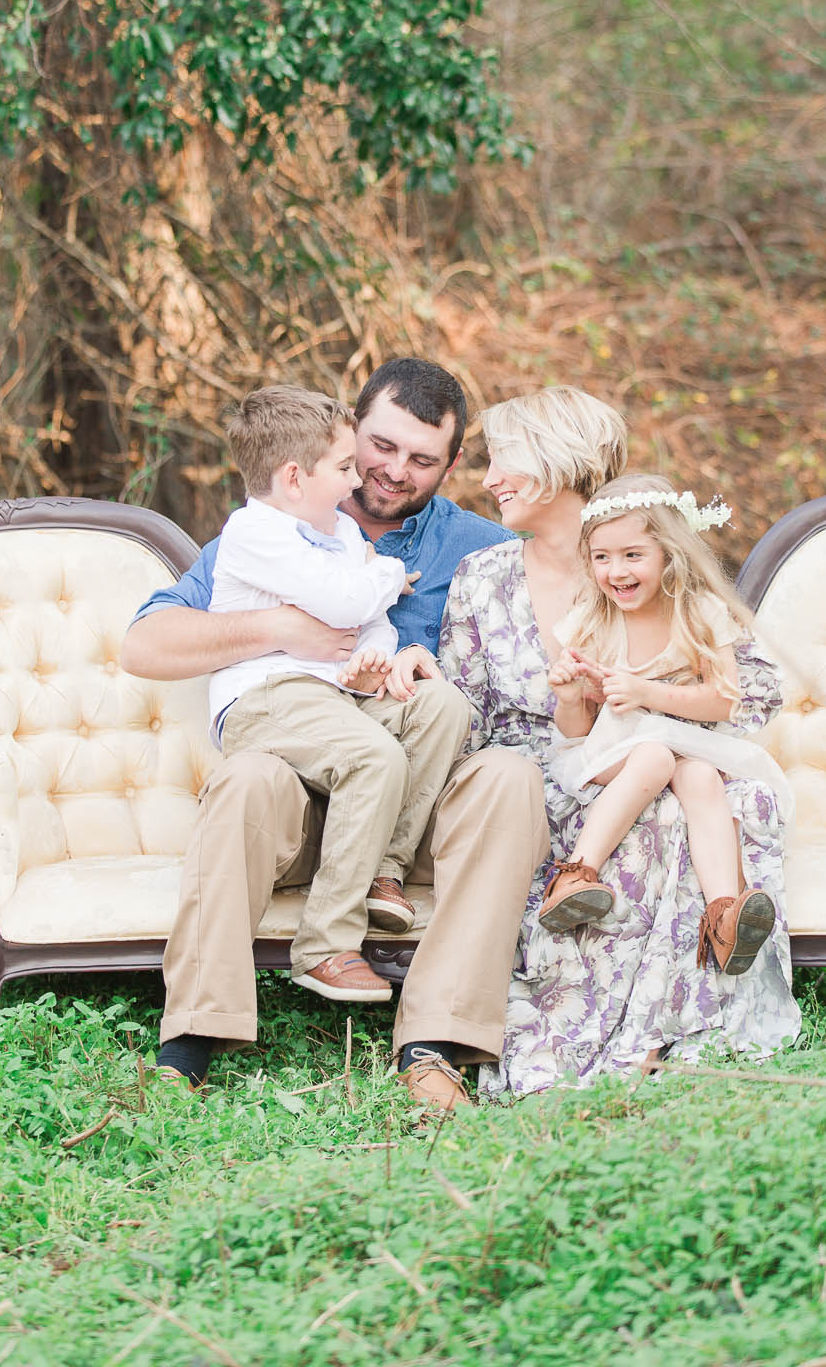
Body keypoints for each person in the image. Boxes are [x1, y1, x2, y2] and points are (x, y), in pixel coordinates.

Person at [121, 357, 547, 1112]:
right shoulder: (276, 531)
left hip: (417, 801)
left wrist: (432, 666)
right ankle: (190, 1041)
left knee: (509, 778)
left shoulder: (485, 549)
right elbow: (146, 646)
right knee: (248, 776)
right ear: (348, 437)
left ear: (452, 464)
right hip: (302, 801)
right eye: (378, 448)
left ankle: (434, 1044)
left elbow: (533, 668)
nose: (389, 472)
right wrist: (276, 627)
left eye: (421, 460)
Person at [439, 390, 800, 1097]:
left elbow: (746, 694)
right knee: (643, 795)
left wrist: (663, 713)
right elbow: (464, 717)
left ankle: (674, 1021)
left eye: (500, 459)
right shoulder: (483, 577)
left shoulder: (661, 571)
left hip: (668, 752)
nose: (487, 479)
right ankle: (573, 1022)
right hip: (539, 771)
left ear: (558, 457)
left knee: (684, 796)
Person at [205, 385, 468, 1005]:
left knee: (442, 707)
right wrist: (387, 574)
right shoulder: (253, 532)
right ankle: (325, 946)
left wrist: (379, 657)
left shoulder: (340, 535)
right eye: (348, 465)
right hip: (266, 696)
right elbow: (347, 599)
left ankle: (386, 872)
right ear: (296, 476)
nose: (359, 481)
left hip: (332, 694)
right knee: (374, 756)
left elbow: (365, 622)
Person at [538, 474, 793, 982]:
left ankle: (725, 914)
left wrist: (648, 694)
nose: (616, 571)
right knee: (653, 755)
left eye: (633, 555)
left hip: (689, 744)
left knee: (699, 777)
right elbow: (579, 726)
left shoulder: (700, 613)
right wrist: (570, 695)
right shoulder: (591, 619)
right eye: (602, 557)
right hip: (605, 750)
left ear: (669, 554)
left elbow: (724, 699)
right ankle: (573, 878)